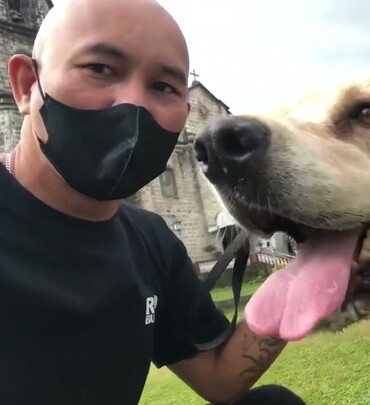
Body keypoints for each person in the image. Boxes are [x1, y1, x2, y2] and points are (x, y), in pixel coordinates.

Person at [0, 0, 305, 404]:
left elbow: (220, 376)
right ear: (26, 85)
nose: (134, 105)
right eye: (100, 69)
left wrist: (311, 268)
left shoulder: (149, 242)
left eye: (162, 87)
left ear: (186, 110)